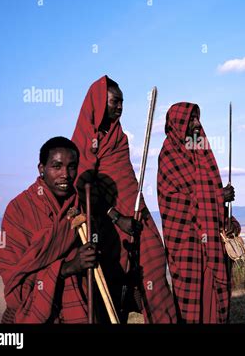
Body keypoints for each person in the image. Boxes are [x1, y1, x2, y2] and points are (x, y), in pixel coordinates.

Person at [71, 75, 176, 323]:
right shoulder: (85, 137)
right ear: (98, 102)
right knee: (113, 278)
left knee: (154, 258)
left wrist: (131, 215)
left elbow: (125, 179)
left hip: (137, 212)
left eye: (122, 102)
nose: (120, 107)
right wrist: (117, 217)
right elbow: (83, 185)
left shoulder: (119, 136)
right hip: (106, 222)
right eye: (114, 102)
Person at [0, 136, 97, 323]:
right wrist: (67, 268)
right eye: (56, 166)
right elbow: (14, 279)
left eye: (71, 166)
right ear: (41, 169)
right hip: (30, 310)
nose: (65, 174)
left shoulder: (81, 206)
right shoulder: (19, 209)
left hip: (77, 304)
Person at [157, 102, 241, 323]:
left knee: (214, 296)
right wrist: (216, 197)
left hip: (212, 239)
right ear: (177, 124)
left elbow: (210, 194)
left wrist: (227, 218)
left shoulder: (202, 152)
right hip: (186, 243)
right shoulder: (169, 155)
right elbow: (175, 203)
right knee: (192, 298)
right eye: (190, 119)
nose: (196, 124)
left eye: (197, 118)